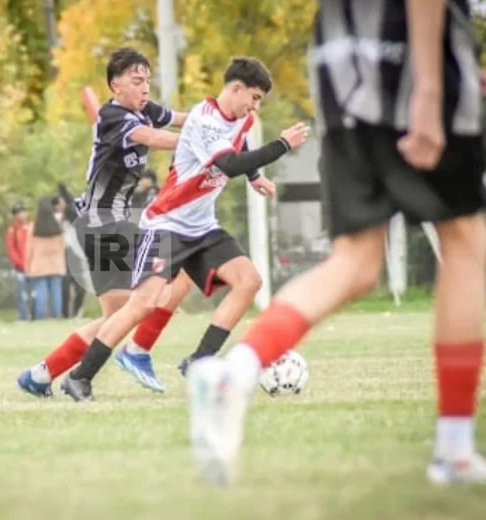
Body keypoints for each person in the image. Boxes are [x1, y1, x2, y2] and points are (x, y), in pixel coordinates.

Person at [187, 0, 486, 486]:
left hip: (339, 50)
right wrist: (430, 90)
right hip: (411, 42)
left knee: (356, 261)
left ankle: (232, 375)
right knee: (467, 242)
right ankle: (453, 447)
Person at [60, 57, 309, 401]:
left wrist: (257, 177)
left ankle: (200, 362)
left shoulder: (242, 117)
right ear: (235, 89)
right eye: (253, 97)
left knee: (248, 281)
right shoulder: (205, 121)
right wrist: (280, 146)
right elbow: (229, 163)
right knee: (140, 306)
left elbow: (241, 144)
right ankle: (80, 377)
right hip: (166, 224)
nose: (255, 106)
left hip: (202, 227)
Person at [16, 47, 190, 397]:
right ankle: (121, 360)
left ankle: (42, 374)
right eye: (136, 81)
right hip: (102, 224)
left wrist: (219, 119)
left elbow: (181, 119)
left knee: (120, 316)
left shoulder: (144, 109)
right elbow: (156, 139)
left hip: (113, 224)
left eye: (147, 81)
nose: (145, 88)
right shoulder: (114, 116)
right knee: (132, 308)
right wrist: (206, 145)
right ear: (115, 85)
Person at [25, 198, 67, 320]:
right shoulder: (58, 227)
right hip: (57, 264)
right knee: (56, 291)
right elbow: (63, 246)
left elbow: (29, 249)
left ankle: (41, 317)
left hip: (39, 264)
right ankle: (56, 315)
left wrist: (27, 267)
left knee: (40, 292)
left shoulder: (33, 227)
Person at [54, 189, 88, 319]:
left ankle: (76, 311)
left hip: (77, 253)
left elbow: (73, 210)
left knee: (80, 285)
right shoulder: (54, 219)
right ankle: (65, 314)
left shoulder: (73, 216)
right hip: (63, 252)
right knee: (65, 285)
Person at [5, 201, 30, 321]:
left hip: (34, 266)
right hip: (20, 267)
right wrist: (20, 264)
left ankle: (36, 316)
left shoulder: (32, 227)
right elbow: (11, 250)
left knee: (34, 294)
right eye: (19, 213)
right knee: (22, 294)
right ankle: (23, 316)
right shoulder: (12, 230)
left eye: (24, 212)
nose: (22, 215)